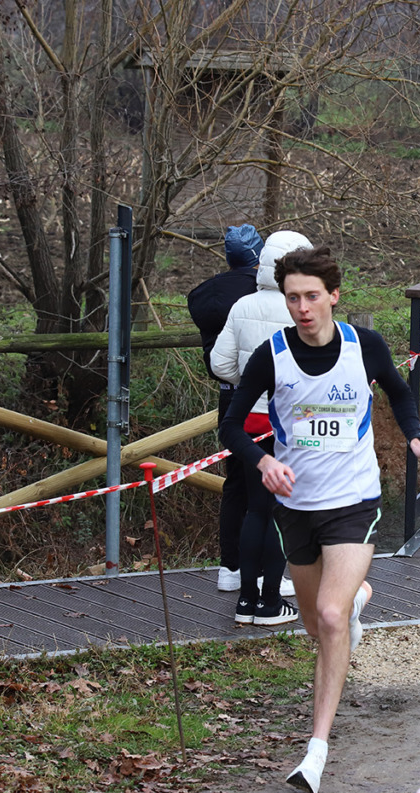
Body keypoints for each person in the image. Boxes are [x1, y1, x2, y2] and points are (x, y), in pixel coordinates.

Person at [219, 246, 420, 793]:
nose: (301, 307)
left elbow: (398, 391)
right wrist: (263, 459)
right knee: (319, 626)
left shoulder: (362, 346)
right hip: (296, 507)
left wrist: (414, 437)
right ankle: (356, 599)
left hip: (354, 501)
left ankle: (315, 751)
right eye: (293, 297)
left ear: (333, 296)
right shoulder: (271, 355)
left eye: (311, 296)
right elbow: (229, 428)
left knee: (326, 614)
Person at [211, 230, 313, 625]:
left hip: (249, 419)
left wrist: (249, 381)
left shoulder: (242, 306)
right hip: (289, 422)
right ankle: (272, 601)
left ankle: (246, 602)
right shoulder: (302, 309)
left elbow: (220, 365)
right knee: (281, 510)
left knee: (256, 509)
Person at [186, 224, 263, 593]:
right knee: (269, 486)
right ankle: (265, 572)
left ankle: (229, 567)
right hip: (265, 396)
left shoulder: (205, 294)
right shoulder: (262, 293)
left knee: (235, 484)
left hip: (227, 394)